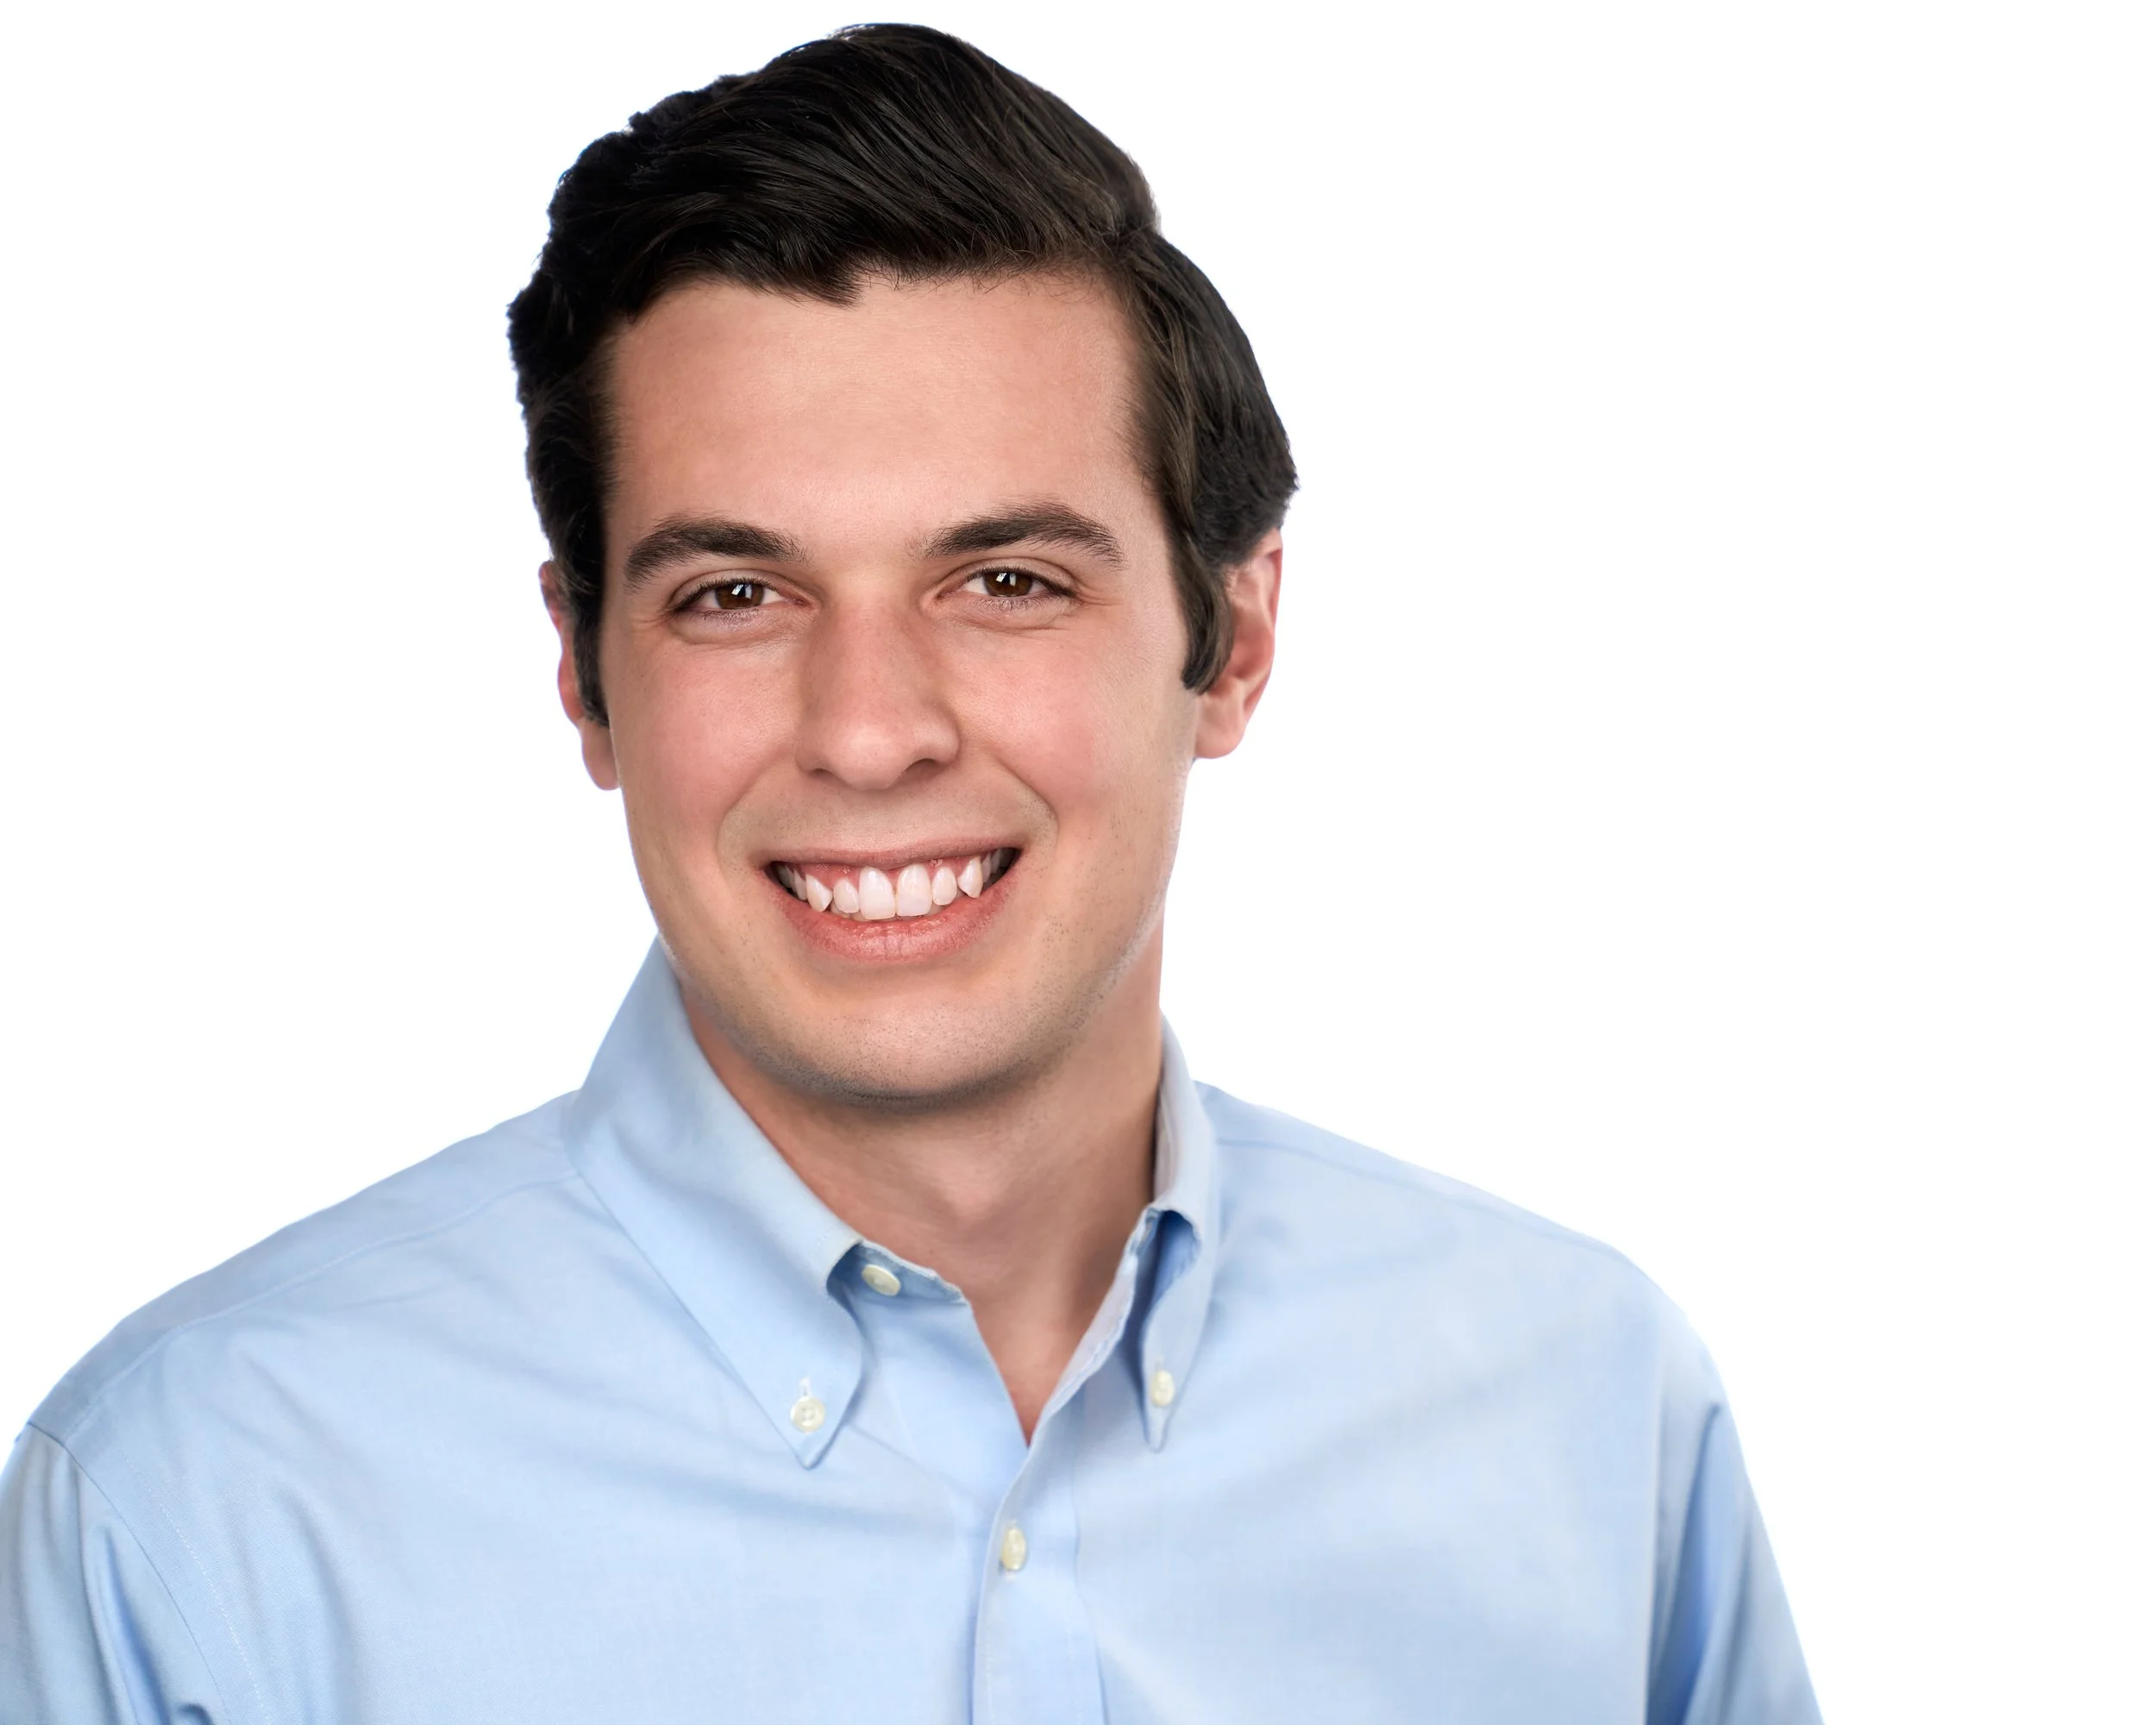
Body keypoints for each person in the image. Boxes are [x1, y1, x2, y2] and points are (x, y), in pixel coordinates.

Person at [0, 25, 1819, 1722]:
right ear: (583, 674)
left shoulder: (1587, 1418)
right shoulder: (196, 1507)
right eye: (735, 595)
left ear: (1232, 639)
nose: (869, 733)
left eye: (1005, 581)